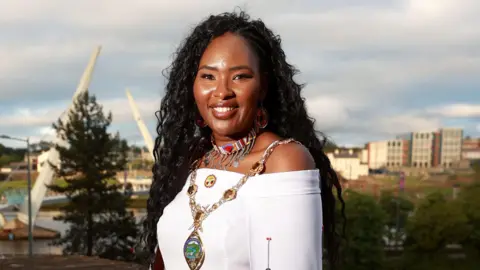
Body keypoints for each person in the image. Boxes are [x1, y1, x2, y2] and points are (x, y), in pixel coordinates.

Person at [144, 10, 345, 270]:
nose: (222, 91)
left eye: (240, 76)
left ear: (262, 87)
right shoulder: (193, 160)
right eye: (208, 76)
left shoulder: (283, 159)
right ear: (190, 86)